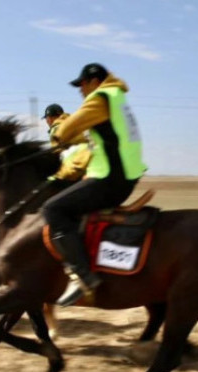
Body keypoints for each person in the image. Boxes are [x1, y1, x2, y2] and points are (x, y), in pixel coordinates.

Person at [43, 63, 147, 306]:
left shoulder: (100, 98)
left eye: (82, 85)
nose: (80, 90)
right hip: (126, 175)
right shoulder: (118, 99)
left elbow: (67, 130)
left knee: (52, 209)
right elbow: (90, 134)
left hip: (110, 178)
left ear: (95, 81)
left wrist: (57, 136)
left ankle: (82, 275)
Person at [42, 103, 93, 182]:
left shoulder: (56, 128)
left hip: (76, 164)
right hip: (90, 157)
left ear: (50, 118)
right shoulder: (73, 122)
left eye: (46, 118)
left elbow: (57, 152)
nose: (46, 121)